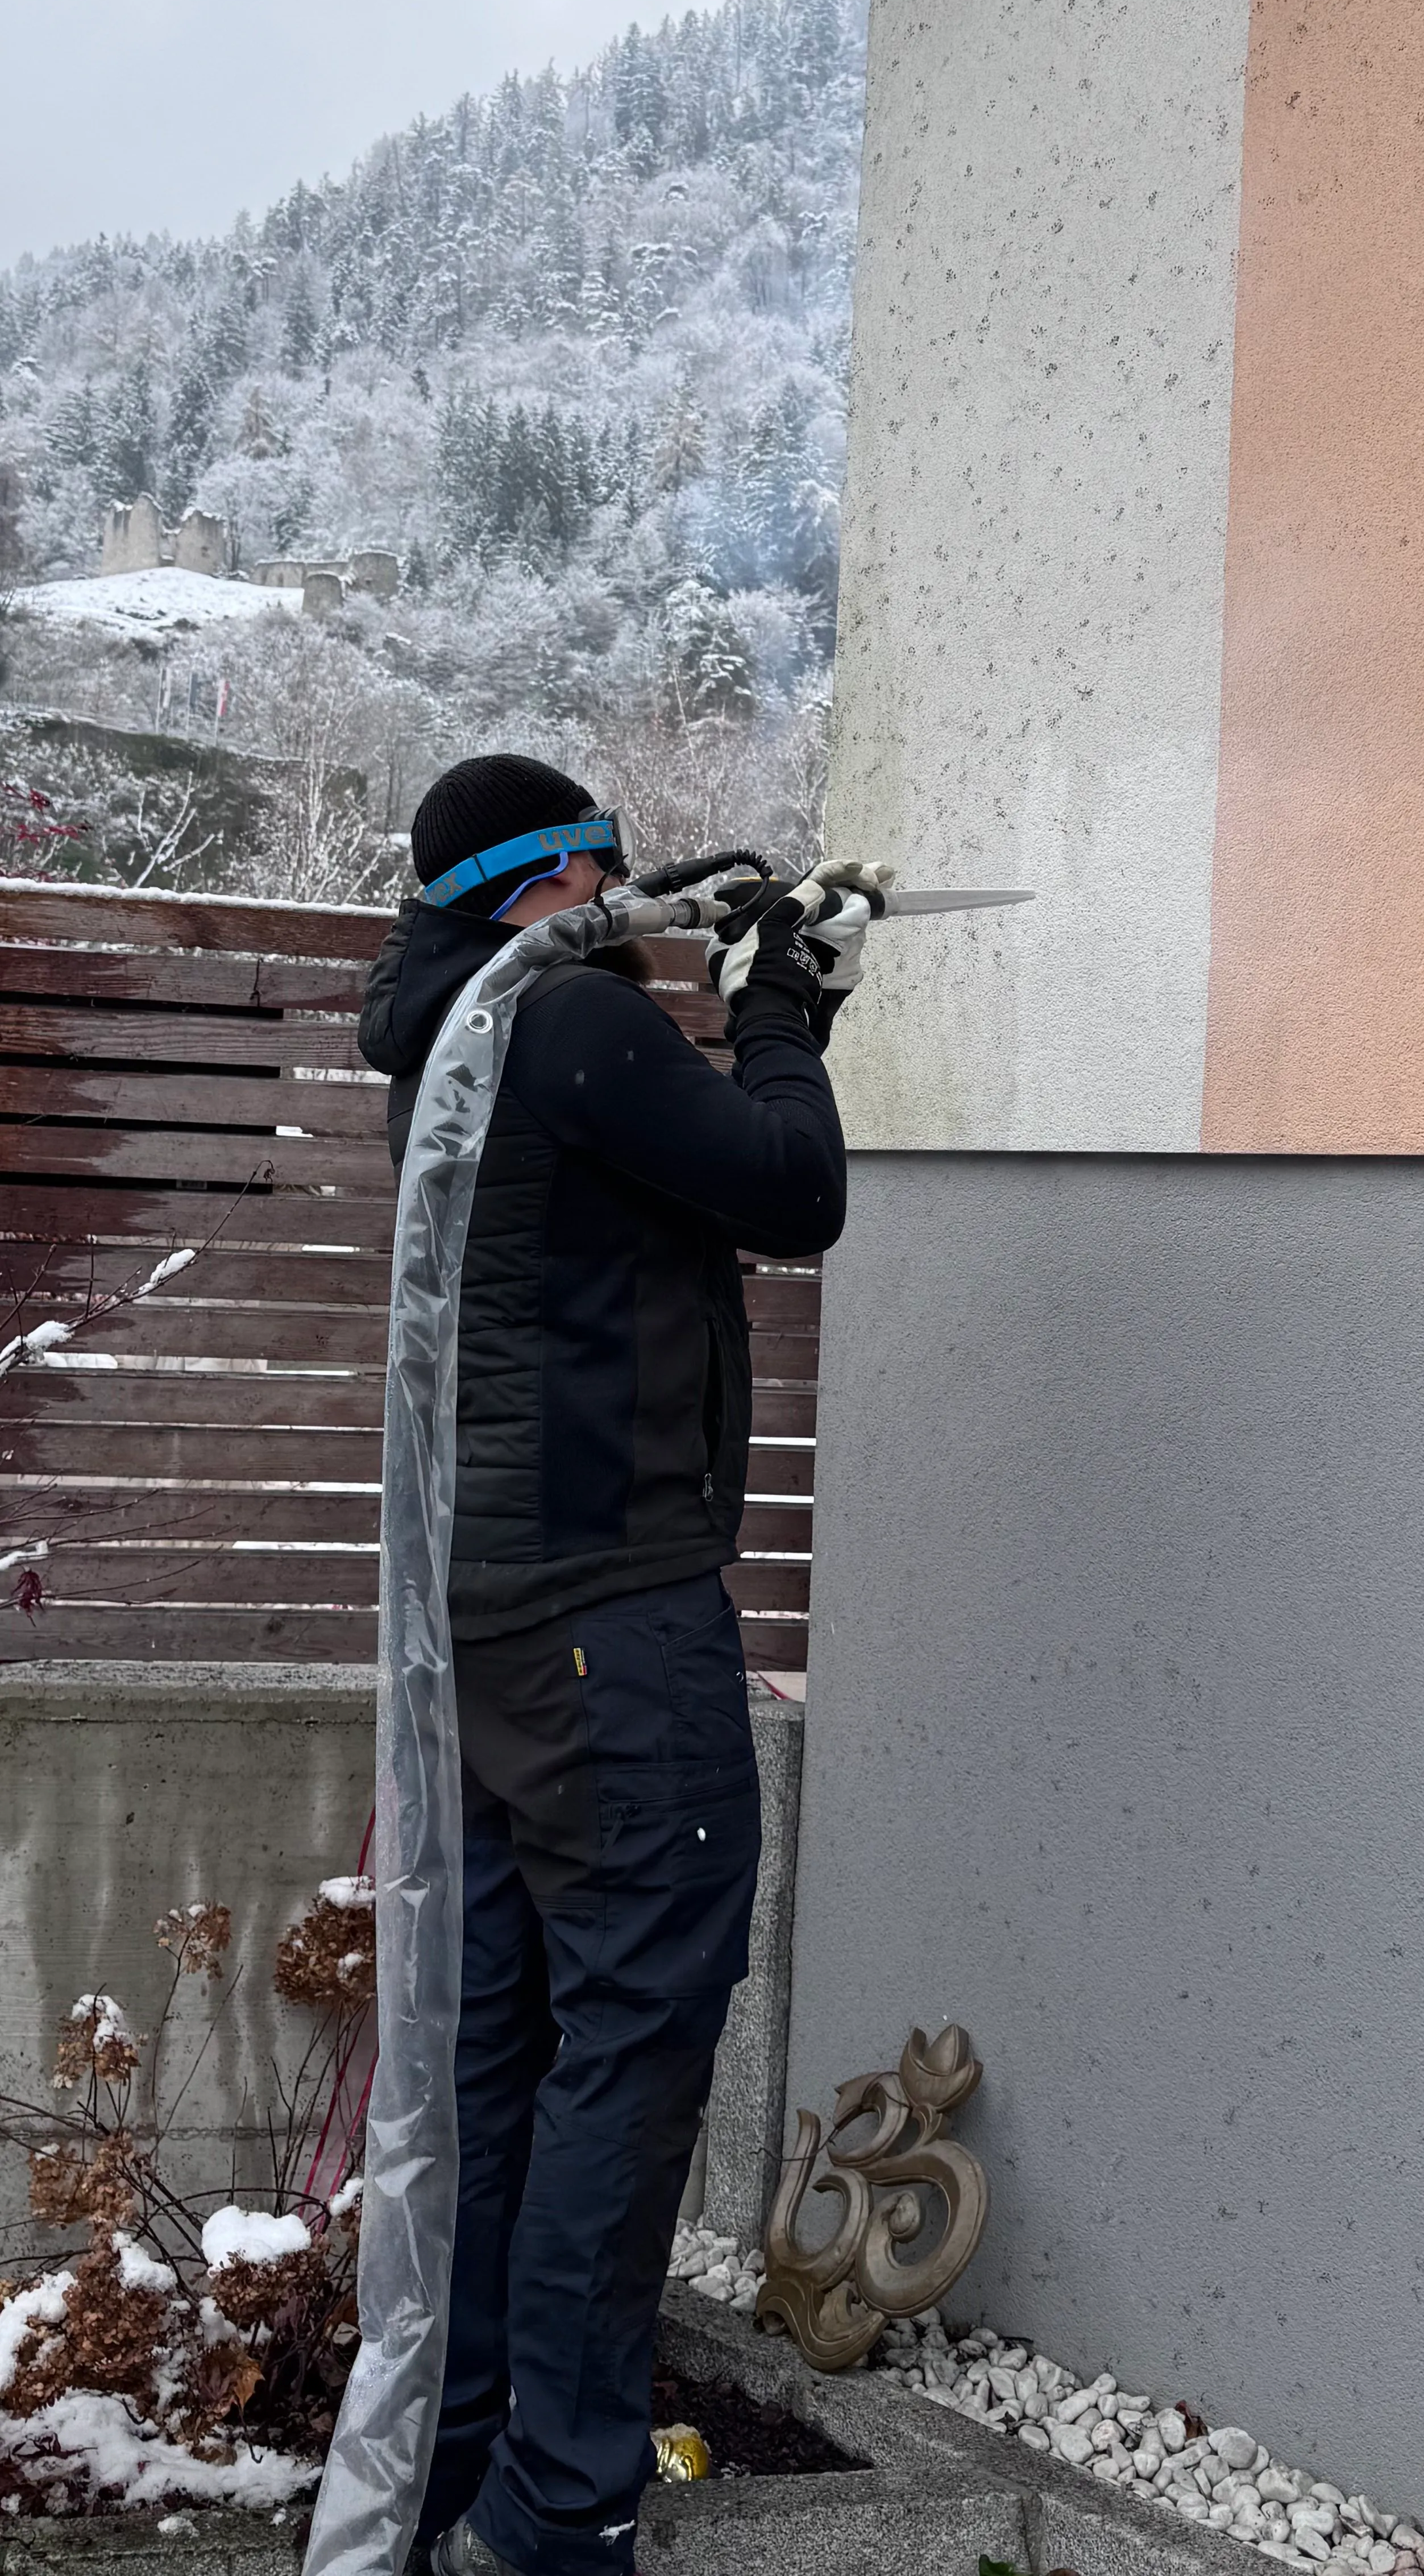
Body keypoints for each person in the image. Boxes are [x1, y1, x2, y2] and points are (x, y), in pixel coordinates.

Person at [356, 752, 862, 2576]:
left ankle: (452, 2472)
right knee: (630, 2049)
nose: (628, 906)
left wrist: (749, 994)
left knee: (500, 2056)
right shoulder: (564, 1022)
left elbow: (667, 1188)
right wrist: (779, 1004)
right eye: (611, 877)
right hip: (609, 1621)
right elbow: (789, 1188)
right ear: (552, 881)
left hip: (496, 1634)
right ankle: (557, 2514)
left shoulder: (447, 1030)